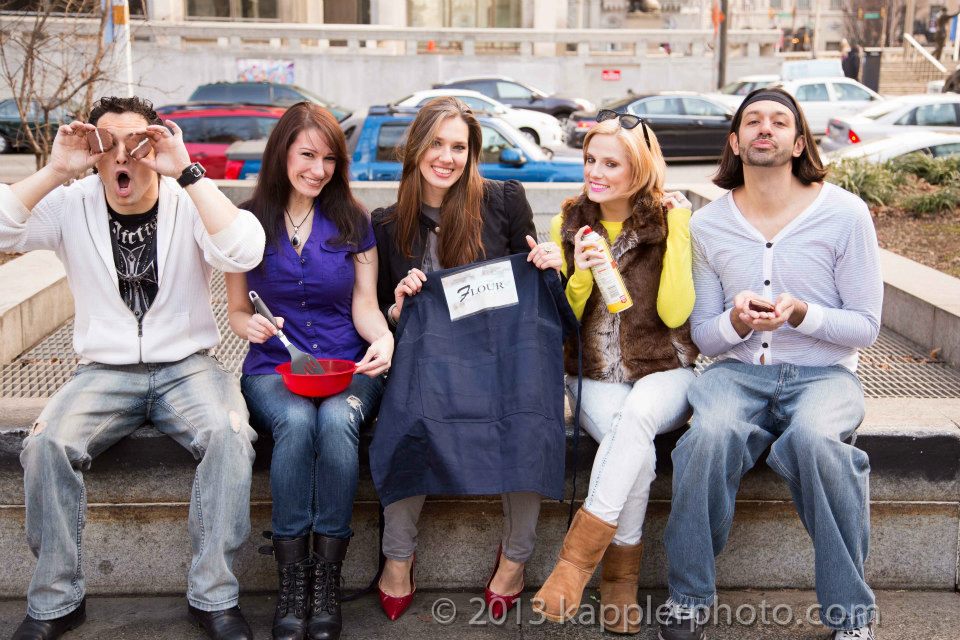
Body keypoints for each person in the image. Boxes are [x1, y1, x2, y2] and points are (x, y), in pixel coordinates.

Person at [0, 96, 266, 640]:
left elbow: (243, 252)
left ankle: (213, 597)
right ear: (92, 153)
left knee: (229, 433)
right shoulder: (70, 203)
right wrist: (55, 169)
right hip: (103, 371)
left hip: (188, 366)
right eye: (107, 144)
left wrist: (187, 170)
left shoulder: (186, 199)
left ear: (156, 145)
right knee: (46, 442)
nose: (123, 156)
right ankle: (56, 602)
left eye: (137, 143)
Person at [657, 87, 883, 640]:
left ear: (797, 140)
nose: (765, 128)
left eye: (779, 121)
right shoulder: (709, 226)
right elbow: (706, 338)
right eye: (752, 121)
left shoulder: (846, 215)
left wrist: (802, 314)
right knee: (707, 437)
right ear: (734, 141)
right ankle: (688, 600)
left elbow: (867, 326)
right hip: (736, 375)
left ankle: (851, 616)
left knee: (817, 443)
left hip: (826, 377)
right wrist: (737, 321)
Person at [369, 96, 564, 621]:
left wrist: (550, 262)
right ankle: (398, 555)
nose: (447, 157)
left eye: (459, 147)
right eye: (437, 144)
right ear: (415, 150)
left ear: (472, 153)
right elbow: (387, 317)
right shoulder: (387, 224)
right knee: (405, 419)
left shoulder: (503, 200)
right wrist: (399, 303)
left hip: (503, 362)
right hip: (430, 367)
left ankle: (515, 559)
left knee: (529, 419)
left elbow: (535, 288)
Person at [224, 102, 393, 640]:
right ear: (282, 155)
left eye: (328, 159)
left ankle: (326, 579)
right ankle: (292, 582)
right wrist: (246, 325)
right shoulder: (246, 222)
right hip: (275, 367)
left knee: (338, 422)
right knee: (296, 423)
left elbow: (365, 305)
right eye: (306, 155)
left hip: (348, 363)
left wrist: (384, 338)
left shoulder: (355, 221)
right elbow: (236, 310)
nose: (318, 169)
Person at [530, 111, 698, 634]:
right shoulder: (568, 222)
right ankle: (620, 584)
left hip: (665, 368)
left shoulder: (665, 221)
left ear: (640, 170)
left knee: (639, 417)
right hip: (592, 373)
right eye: (589, 160)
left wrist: (680, 232)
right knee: (638, 453)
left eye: (611, 163)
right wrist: (579, 273)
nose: (595, 173)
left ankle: (573, 566)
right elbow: (566, 322)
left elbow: (675, 314)